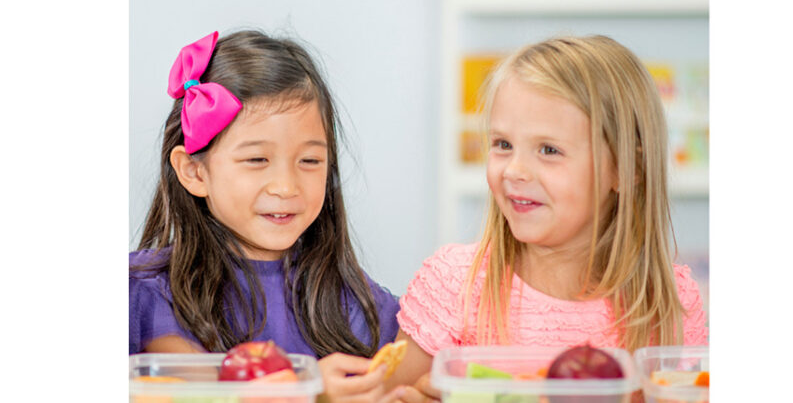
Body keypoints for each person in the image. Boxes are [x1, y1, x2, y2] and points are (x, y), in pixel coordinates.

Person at [388, 35, 708, 400]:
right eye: (503, 144)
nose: (515, 171)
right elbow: (387, 396)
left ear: (625, 168)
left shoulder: (669, 302)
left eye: (549, 150)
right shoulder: (454, 283)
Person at [130, 30, 403, 401]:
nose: (286, 186)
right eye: (257, 160)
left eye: (310, 161)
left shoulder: (359, 304)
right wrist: (308, 389)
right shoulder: (148, 296)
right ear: (194, 172)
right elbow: (189, 392)